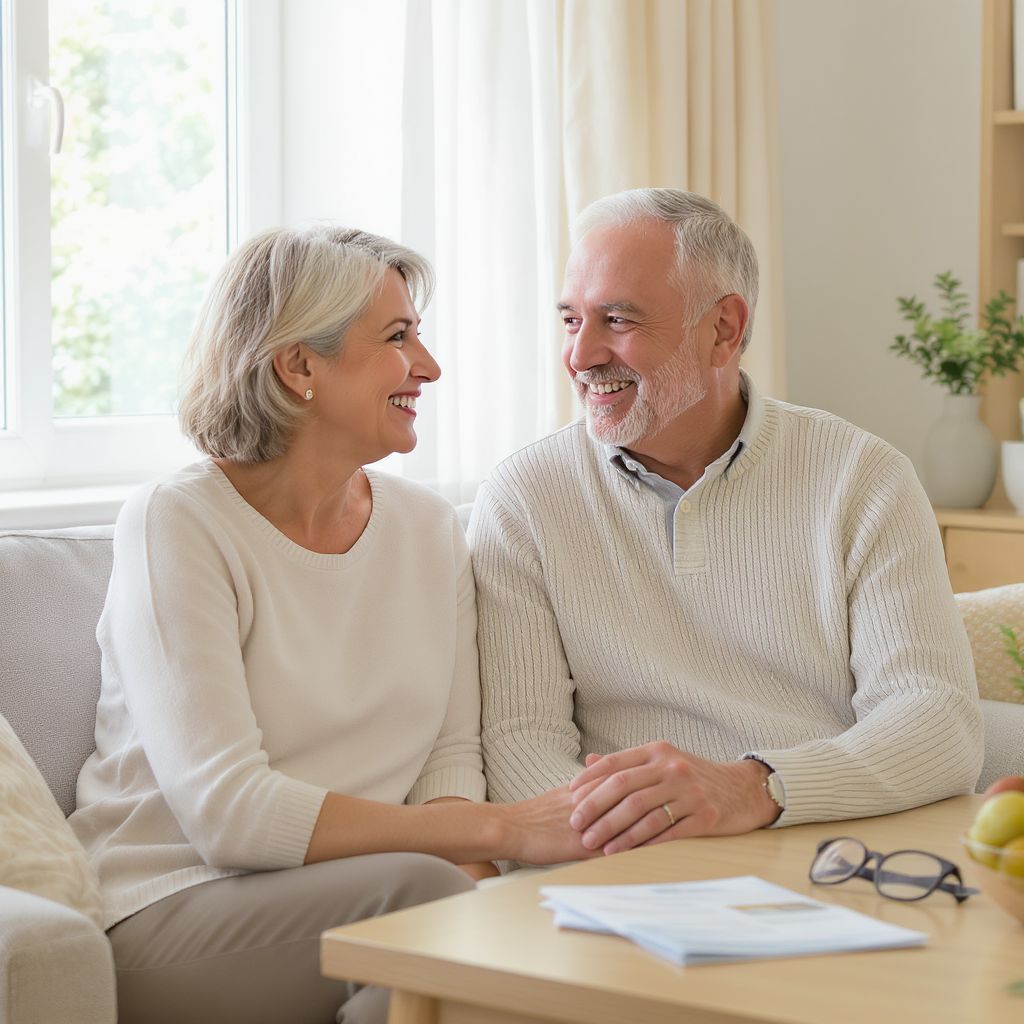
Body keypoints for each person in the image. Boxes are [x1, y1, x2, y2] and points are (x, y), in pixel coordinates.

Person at [69, 226, 589, 1024]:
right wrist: (503, 831)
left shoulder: (427, 528)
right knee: (430, 904)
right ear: (299, 366)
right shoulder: (178, 522)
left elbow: (449, 753)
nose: (430, 366)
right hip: (170, 908)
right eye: (398, 337)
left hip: (384, 893)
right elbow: (229, 813)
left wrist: (481, 880)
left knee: (480, 951)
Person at [469, 188, 984, 860]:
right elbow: (520, 745)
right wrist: (647, 849)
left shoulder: (862, 477)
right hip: (617, 869)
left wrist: (755, 789)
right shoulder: (525, 497)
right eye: (571, 321)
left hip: (824, 853)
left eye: (617, 320)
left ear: (723, 329)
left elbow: (938, 721)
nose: (581, 355)